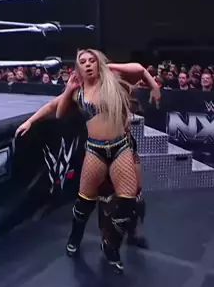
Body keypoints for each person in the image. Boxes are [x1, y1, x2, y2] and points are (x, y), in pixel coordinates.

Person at [16, 53, 160, 271]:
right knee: (90, 199)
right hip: (96, 148)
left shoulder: (113, 79)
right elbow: (55, 108)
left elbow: (139, 69)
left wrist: (152, 85)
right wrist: (30, 121)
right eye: (83, 62)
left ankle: (127, 236)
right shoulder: (78, 90)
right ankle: (78, 237)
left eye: (92, 61)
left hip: (123, 144)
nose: (88, 65)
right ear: (77, 69)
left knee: (132, 197)